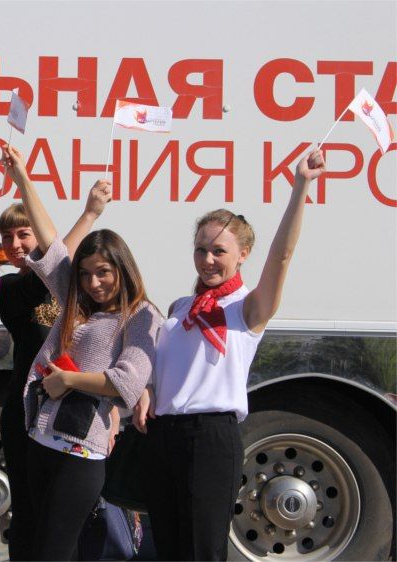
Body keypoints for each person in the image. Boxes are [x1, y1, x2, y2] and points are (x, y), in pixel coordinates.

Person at [133, 150, 326, 561]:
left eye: (219, 251)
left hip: (210, 437)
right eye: (201, 249)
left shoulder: (247, 308)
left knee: (203, 551)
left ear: (243, 254)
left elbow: (282, 256)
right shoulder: (180, 307)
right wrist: (147, 388)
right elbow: (165, 365)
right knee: (167, 549)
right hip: (163, 436)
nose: (207, 260)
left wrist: (301, 187)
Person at [2, 145, 162, 561]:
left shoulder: (141, 314)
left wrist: (67, 380)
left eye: (103, 273)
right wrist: (23, 179)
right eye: (86, 274)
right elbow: (53, 247)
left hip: (81, 450)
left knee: (52, 552)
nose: (93, 283)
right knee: (44, 547)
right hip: (40, 439)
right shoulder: (76, 302)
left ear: (122, 270)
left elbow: (127, 383)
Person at [0, 182, 113, 560]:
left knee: (66, 520)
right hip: (26, 413)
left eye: (24, 234)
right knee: (29, 515)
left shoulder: (81, 291)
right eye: (7, 237)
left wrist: (112, 415)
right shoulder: (9, 287)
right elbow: (50, 266)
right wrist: (89, 215)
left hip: (75, 417)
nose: (15, 244)